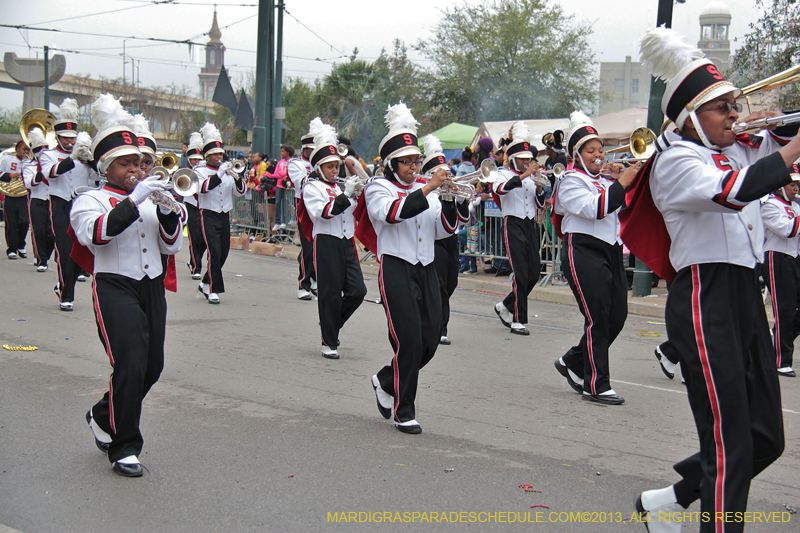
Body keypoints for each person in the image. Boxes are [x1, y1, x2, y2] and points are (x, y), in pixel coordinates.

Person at [630, 27, 800, 532]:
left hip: (745, 294)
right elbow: (735, 192)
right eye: (721, 107)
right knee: (730, 443)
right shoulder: (676, 160)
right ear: (690, 118)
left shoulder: (731, 152)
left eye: (734, 104)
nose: (736, 115)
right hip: (705, 298)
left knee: (767, 437)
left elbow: (772, 149)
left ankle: (669, 501)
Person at [71, 93, 183, 478]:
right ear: (106, 167)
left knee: (152, 366)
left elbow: (171, 246)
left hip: (150, 285)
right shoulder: (90, 199)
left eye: (138, 162)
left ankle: (103, 415)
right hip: (114, 286)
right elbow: (97, 235)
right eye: (125, 163)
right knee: (130, 361)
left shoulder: (150, 198)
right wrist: (134, 202)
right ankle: (124, 447)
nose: (135, 169)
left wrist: (169, 212)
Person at [361, 103, 467, 435]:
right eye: (407, 161)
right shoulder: (378, 187)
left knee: (431, 339)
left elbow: (443, 230)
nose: (413, 166)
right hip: (395, 268)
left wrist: (454, 200)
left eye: (415, 160)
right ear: (392, 163)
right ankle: (404, 409)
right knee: (408, 340)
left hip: (427, 268)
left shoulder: (429, 190)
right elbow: (393, 213)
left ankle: (385, 379)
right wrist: (431, 187)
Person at [552, 111, 640, 406]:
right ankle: (596, 384)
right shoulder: (569, 181)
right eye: (591, 150)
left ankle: (571, 361)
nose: (599, 155)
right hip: (584, 250)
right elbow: (595, 209)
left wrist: (620, 181)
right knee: (598, 318)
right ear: (577, 154)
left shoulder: (604, 180)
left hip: (612, 250)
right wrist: (620, 184)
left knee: (617, 317)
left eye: (601, 150)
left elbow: (622, 210)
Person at [300, 123, 366, 359]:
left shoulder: (341, 186)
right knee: (329, 292)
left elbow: (353, 211)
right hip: (326, 242)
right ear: (318, 168)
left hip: (346, 241)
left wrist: (358, 195)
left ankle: (332, 326)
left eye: (336, 166)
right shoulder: (311, 187)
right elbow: (322, 213)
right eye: (329, 167)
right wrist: (347, 194)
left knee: (358, 290)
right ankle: (329, 341)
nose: (334, 170)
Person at [491, 122, 546, 335]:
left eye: (528, 159)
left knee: (534, 271)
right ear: (513, 159)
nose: (526, 162)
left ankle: (505, 305)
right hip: (512, 223)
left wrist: (539, 186)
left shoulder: (532, 177)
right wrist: (525, 175)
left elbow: (540, 204)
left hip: (529, 224)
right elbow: (501, 189)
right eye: (522, 159)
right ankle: (517, 319)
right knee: (521, 273)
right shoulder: (502, 173)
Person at [39, 98, 93, 311]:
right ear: (58, 137)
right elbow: (50, 173)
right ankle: (66, 294)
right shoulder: (48, 155)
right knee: (64, 249)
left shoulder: (83, 157)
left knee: (81, 247)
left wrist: (91, 162)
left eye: (72, 138)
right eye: (65, 138)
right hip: (59, 205)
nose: (70, 142)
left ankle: (63, 283)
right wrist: (72, 157)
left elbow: (98, 179)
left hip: (79, 205)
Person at [194, 122, 246, 304]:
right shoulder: (200, 171)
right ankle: (212, 289)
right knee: (214, 251)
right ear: (208, 156)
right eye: (215, 154)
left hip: (224, 214)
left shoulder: (228, 171)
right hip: (208, 213)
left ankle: (206, 281)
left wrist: (238, 177)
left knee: (223, 251)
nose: (219, 157)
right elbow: (202, 188)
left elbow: (240, 192)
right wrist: (218, 175)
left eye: (220, 154)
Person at [425, 134, 469, 345]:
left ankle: (433, 317)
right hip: (434, 241)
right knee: (440, 285)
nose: (446, 177)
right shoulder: (429, 194)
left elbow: (465, 219)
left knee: (451, 283)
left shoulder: (449, 191)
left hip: (451, 241)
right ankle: (441, 327)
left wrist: (460, 199)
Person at [761, 171, 800, 377]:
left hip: (795, 258)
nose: (796, 189)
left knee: (795, 313)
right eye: (792, 185)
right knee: (784, 310)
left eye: (797, 185)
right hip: (777, 258)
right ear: (780, 186)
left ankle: (776, 338)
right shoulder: (769, 205)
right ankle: (781, 361)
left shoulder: (796, 206)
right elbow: (787, 230)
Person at [288, 125, 317, 300]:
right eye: (311, 150)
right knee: (307, 247)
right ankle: (303, 285)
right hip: (304, 206)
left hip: (321, 205)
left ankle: (314, 281)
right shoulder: (296, 164)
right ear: (304, 149)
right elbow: (301, 181)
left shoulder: (322, 164)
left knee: (318, 247)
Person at [21, 128, 55, 272]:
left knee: (51, 233)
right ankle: (41, 260)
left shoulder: (51, 163)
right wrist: (41, 171)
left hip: (52, 200)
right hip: (37, 200)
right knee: (39, 231)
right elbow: (29, 184)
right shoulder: (29, 166)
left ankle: (45, 256)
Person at [0, 140, 31, 259]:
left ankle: (21, 245)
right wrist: (10, 175)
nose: (26, 152)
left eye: (28, 150)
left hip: (24, 195)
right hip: (10, 194)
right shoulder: (7, 159)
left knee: (24, 222)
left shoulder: (30, 162)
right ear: (17, 149)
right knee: (11, 223)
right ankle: (12, 249)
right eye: (24, 149)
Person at [183, 132, 206, 280]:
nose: (196, 161)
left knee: (204, 239)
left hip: (204, 206)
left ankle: (194, 261)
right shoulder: (186, 172)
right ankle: (196, 266)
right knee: (194, 237)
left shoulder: (204, 171)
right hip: (191, 205)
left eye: (198, 159)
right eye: (193, 159)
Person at [265, 144, 293, 231]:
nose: (281, 153)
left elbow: (290, 173)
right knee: (278, 203)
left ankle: (285, 221)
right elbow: (276, 174)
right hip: (279, 185)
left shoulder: (292, 162)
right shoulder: (280, 162)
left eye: (283, 151)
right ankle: (278, 222)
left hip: (288, 186)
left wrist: (282, 174)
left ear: (287, 152)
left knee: (286, 203)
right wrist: (282, 174)